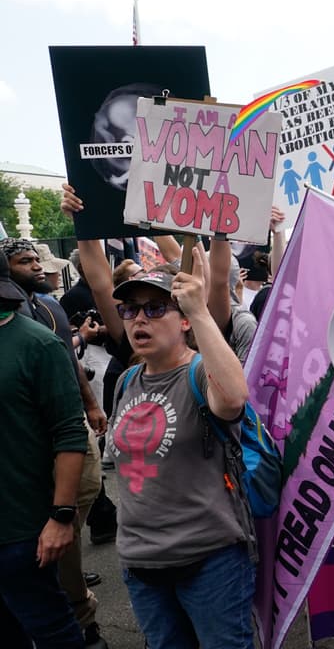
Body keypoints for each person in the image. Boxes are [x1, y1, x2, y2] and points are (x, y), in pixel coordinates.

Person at [107, 261, 256, 648]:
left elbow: (234, 398)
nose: (140, 319)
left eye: (156, 308)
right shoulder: (126, 381)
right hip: (141, 562)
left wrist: (201, 309)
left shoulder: (201, 374)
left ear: (184, 320)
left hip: (209, 561)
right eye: (131, 309)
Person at [3, 237, 111, 647]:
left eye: (38, 260)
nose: (36, 267)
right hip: (22, 477)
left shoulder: (43, 320)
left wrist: (61, 515)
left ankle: (82, 617)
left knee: (64, 534)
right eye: (25, 260)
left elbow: (66, 361)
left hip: (51, 466)